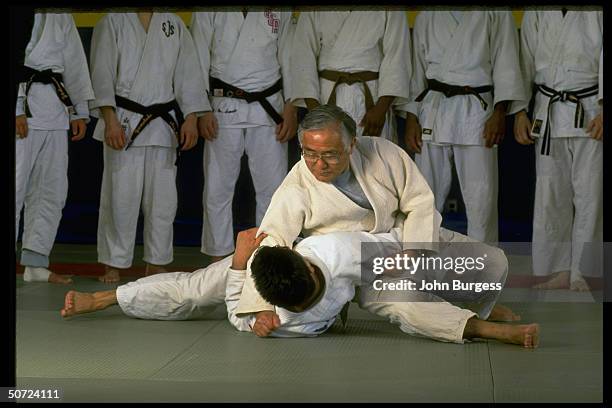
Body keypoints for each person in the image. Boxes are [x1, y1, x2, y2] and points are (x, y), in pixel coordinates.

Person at [60, 228, 538, 348]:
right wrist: (239, 266)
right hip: (257, 261)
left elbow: (397, 256)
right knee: (191, 291)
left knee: (409, 305)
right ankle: (107, 299)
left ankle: (478, 323)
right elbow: (234, 312)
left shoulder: (341, 250)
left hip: (360, 273)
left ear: (310, 272)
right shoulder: (275, 310)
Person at [233, 104, 442, 320]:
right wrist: (263, 308)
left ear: (351, 144)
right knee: (210, 284)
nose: (319, 165)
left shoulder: (383, 153)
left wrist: (413, 252)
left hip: (399, 245)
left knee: (473, 266)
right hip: (332, 265)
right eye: (309, 153)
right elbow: (271, 239)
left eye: (330, 155)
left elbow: (420, 201)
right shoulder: (297, 184)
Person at [89, 11, 208, 283]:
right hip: (124, 121)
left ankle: (157, 261)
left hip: (163, 125)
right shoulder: (112, 21)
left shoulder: (173, 23)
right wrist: (109, 120)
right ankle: (113, 263)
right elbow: (102, 72)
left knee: (163, 201)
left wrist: (191, 118)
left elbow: (188, 73)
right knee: (120, 198)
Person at [402, 10, 526, 243]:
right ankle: (421, 267)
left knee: (481, 200)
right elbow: (415, 72)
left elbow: (506, 63)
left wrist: (500, 112)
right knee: (424, 198)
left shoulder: (496, 14)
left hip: (478, 112)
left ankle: (483, 272)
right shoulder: (427, 16)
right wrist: (411, 117)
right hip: (433, 110)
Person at [190, 9, 298, 262]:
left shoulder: (279, 11)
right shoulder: (208, 13)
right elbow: (197, 60)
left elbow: (290, 59)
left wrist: (291, 108)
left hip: (269, 108)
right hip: (221, 107)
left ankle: (269, 252)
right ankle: (218, 255)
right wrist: (202, 110)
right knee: (218, 187)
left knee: (272, 188)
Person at [512, 10, 603, 291]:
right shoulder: (536, 12)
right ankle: (555, 271)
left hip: (590, 111)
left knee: (590, 196)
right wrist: (519, 111)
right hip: (547, 111)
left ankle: (585, 273)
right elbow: (524, 62)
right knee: (549, 197)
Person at [15, 12, 95, 284]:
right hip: (24, 107)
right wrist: (16, 108)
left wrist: (78, 112)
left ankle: (35, 263)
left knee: (52, 190)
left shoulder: (62, 15)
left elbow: (74, 62)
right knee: (14, 189)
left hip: (55, 107)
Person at [291, 10, 411, 142]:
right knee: (328, 155)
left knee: (374, 156)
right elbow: (303, 59)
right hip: (325, 98)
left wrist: (381, 109)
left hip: (373, 101)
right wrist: (317, 113)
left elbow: (397, 57)